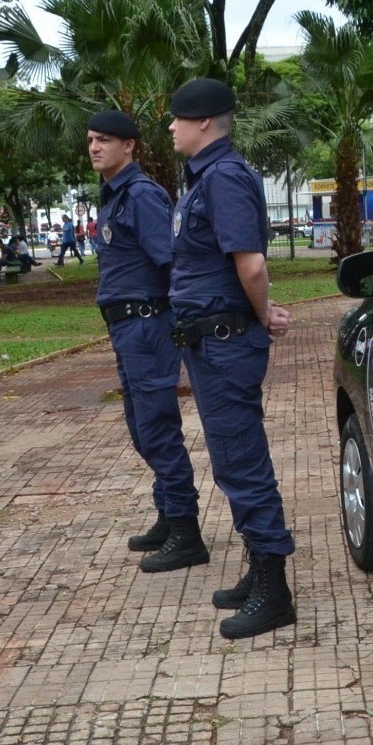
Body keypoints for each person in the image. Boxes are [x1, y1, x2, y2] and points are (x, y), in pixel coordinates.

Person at [167, 77, 295, 640]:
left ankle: (274, 590)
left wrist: (265, 313)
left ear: (202, 123)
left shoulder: (223, 178)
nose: (170, 128)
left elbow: (252, 266)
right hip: (208, 340)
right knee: (230, 460)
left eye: (176, 118)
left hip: (224, 343)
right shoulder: (202, 180)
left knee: (242, 461)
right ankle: (256, 570)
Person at [86, 109, 203, 573]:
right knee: (141, 426)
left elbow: (173, 263)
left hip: (147, 325)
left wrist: (178, 323)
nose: (95, 147)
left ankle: (187, 531)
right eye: (91, 140)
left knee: (156, 426)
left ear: (129, 145)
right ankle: (169, 514)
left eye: (105, 140)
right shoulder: (113, 196)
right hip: (124, 326)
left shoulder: (141, 196)